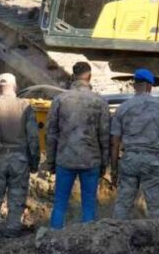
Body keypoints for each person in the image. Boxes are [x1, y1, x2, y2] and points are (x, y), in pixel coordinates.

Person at [46, 62, 111, 229]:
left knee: (60, 204)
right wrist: (104, 163)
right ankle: (87, 244)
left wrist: (51, 161)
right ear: (90, 77)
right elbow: (105, 136)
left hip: (65, 159)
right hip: (91, 161)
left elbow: (51, 133)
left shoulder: (60, 100)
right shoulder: (100, 102)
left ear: (73, 76)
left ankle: (53, 240)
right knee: (89, 206)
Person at [111, 69, 159, 220]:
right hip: (153, 161)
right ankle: (157, 241)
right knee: (155, 211)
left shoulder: (123, 108)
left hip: (129, 159)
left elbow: (114, 142)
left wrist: (114, 170)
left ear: (135, 85)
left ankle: (115, 240)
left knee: (122, 207)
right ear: (149, 86)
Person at [0, 73, 40, 234]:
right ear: (15, 86)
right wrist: (34, 162)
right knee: (17, 197)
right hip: (20, 159)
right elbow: (33, 137)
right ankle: (12, 229)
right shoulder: (25, 106)